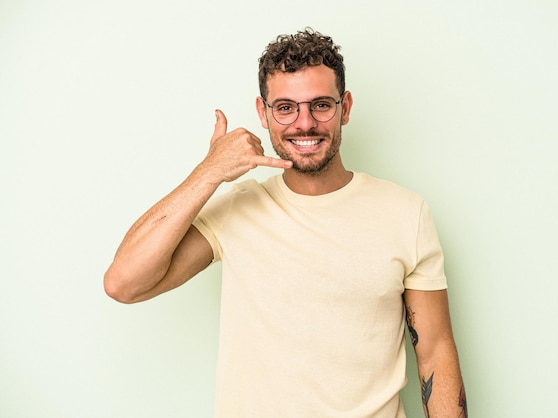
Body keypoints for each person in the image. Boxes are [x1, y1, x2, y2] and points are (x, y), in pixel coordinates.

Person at [104, 28, 467, 418]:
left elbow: (435, 352)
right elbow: (124, 283)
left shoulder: (405, 213)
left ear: (345, 107)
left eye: (321, 105)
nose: (304, 123)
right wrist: (208, 173)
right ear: (264, 114)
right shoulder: (238, 209)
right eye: (286, 107)